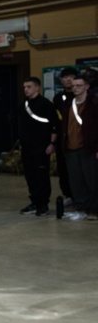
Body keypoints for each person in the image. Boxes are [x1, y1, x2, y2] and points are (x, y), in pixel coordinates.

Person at [60, 75, 98, 220]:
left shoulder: (94, 103)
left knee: (92, 179)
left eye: (78, 85)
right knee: (75, 180)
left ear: (86, 87)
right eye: (73, 86)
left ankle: (93, 209)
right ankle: (80, 207)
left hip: (88, 147)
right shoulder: (68, 103)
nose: (74, 88)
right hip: (71, 147)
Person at [20, 77, 59, 216]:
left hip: (41, 146)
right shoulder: (23, 105)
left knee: (42, 175)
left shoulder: (46, 104)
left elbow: (55, 126)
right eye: (24, 87)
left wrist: (52, 144)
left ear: (37, 88)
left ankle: (43, 204)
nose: (26, 89)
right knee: (30, 176)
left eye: (29, 86)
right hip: (26, 147)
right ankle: (34, 202)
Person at [52, 67, 77, 204]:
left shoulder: (81, 97)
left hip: (78, 140)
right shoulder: (58, 98)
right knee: (63, 169)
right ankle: (68, 195)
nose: (68, 79)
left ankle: (79, 196)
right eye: (65, 77)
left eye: (71, 76)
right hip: (62, 140)